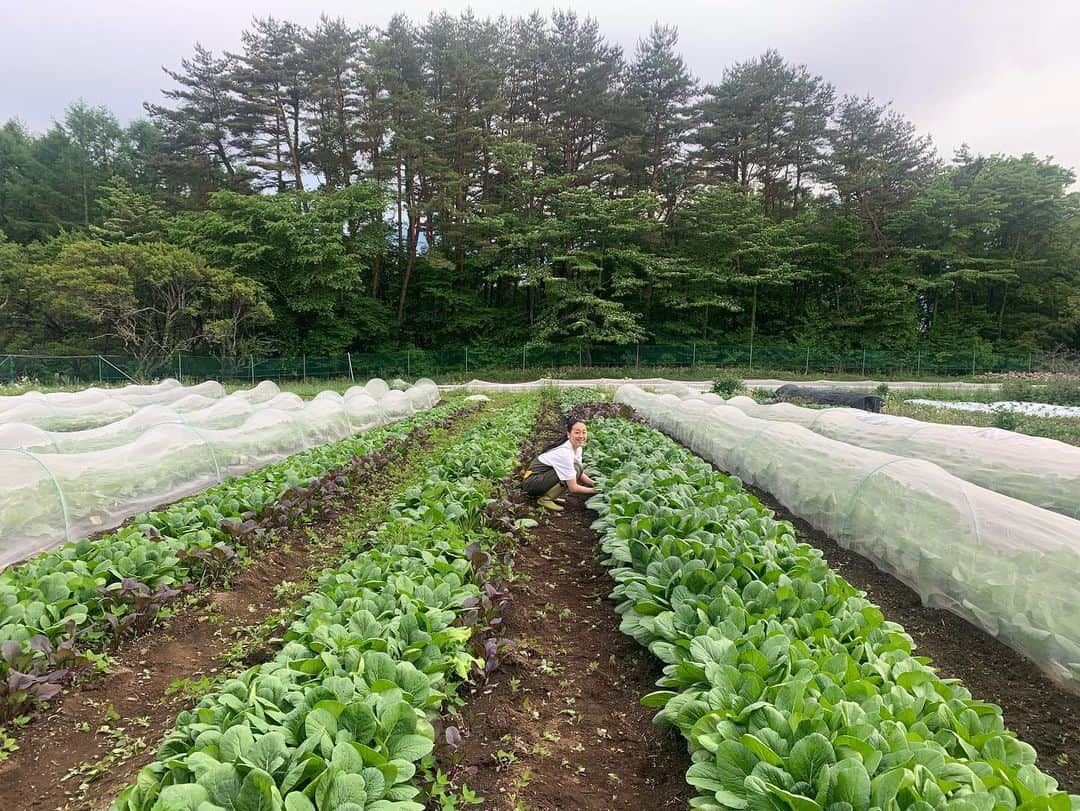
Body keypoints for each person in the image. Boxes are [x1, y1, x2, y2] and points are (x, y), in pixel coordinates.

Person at [521, 418, 597, 511]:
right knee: (574, 469)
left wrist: (594, 484)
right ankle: (545, 499)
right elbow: (573, 488)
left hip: (539, 478)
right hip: (531, 483)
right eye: (577, 432)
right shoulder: (565, 453)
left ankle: (550, 495)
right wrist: (594, 491)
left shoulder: (578, 448)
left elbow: (580, 472)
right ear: (569, 434)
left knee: (576, 468)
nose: (581, 436)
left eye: (584, 432)